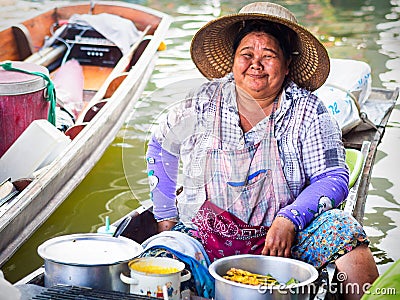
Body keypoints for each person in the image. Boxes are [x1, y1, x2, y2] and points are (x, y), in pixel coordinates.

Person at [144, 2, 378, 299]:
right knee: (158, 260)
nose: (256, 64)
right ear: (233, 60)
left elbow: (333, 177)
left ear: (287, 64)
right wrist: (165, 215)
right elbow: (160, 146)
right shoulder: (201, 102)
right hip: (205, 236)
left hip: (285, 240)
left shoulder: (309, 111)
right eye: (247, 55)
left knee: (345, 231)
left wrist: (290, 218)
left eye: (268, 56)